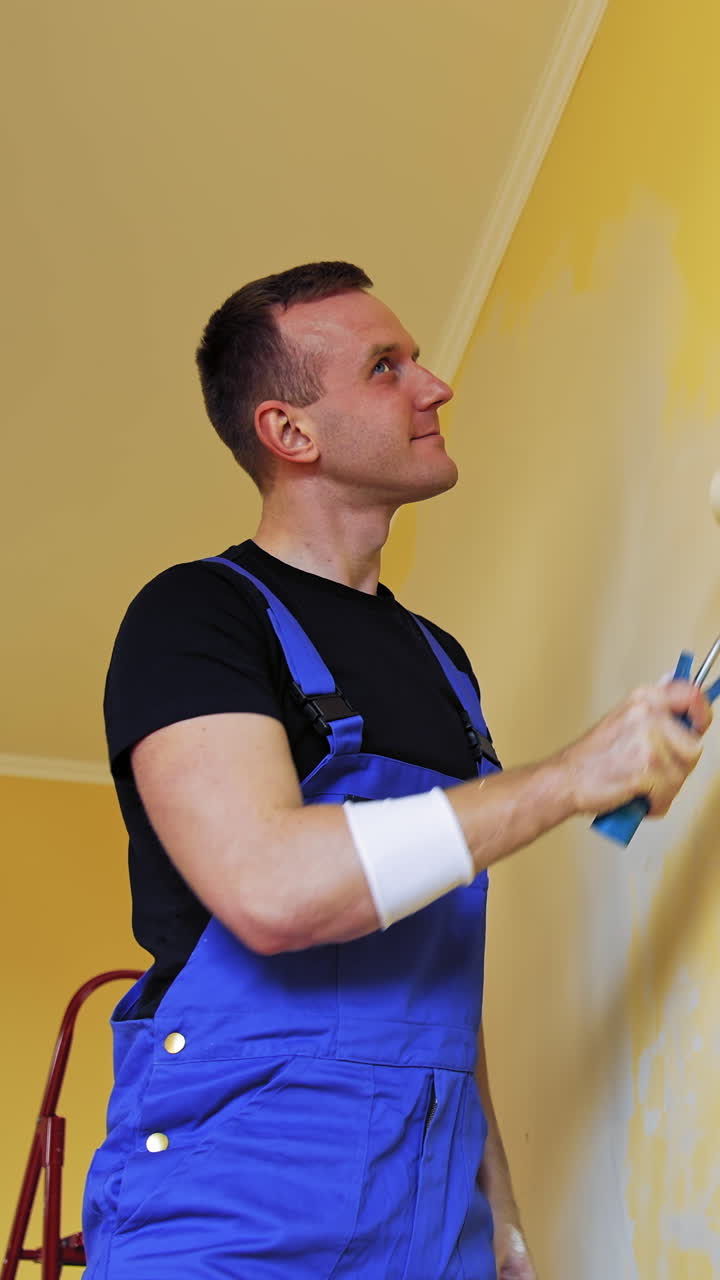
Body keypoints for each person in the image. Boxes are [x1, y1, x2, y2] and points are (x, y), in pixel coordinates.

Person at [82, 261, 711, 1280]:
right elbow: (272, 887)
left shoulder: (442, 663)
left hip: (434, 1221)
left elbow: (431, 971)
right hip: (235, 1214)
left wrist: (499, 1214)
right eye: (387, 366)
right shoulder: (196, 615)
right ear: (291, 432)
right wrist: (568, 777)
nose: (435, 384)